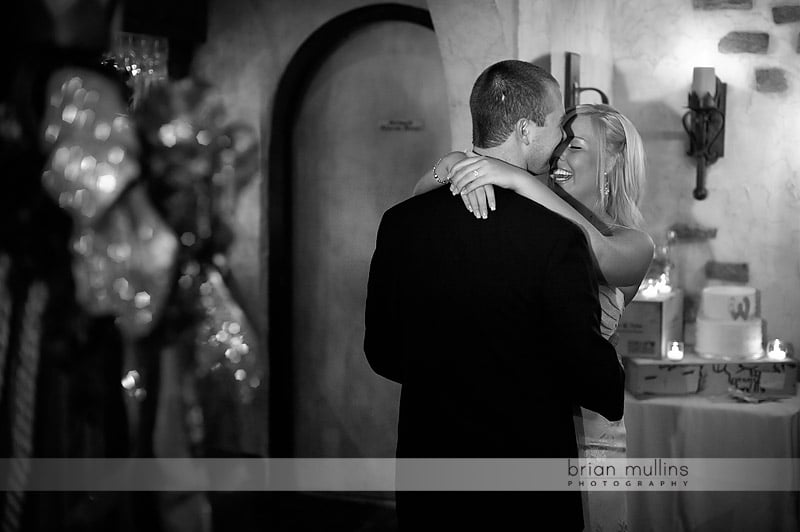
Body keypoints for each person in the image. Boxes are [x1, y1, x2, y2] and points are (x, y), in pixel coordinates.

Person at [364, 60, 624, 531]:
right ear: (526, 130)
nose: (561, 140)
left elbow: (381, 352)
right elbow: (588, 372)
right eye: (554, 124)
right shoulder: (555, 237)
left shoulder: (401, 223)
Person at [421, 103, 654, 531]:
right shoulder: (526, 220)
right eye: (559, 141)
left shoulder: (633, 243)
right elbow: (413, 210)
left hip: (589, 428)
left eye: (576, 146)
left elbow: (593, 254)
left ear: (613, 162)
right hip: (516, 424)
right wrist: (450, 166)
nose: (559, 156)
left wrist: (516, 179)